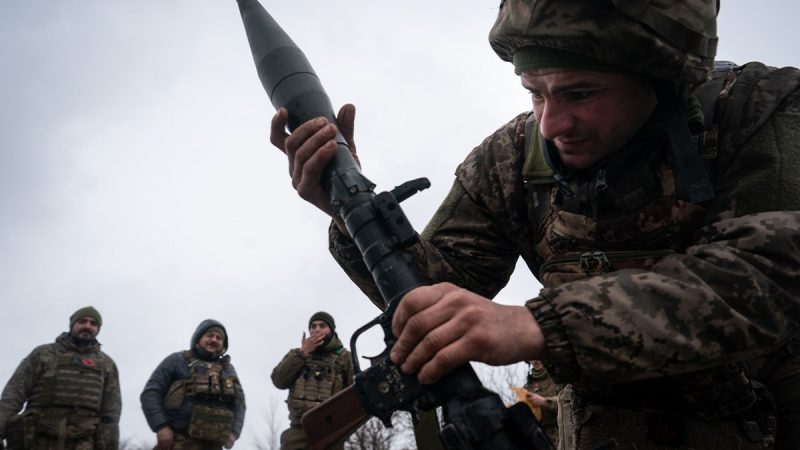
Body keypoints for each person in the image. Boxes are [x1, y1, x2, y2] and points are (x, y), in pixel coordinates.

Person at [269, 0, 800, 448]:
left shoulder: (762, 114)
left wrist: (538, 325)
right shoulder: (514, 159)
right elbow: (438, 298)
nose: (551, 123)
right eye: (535, 91)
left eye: (580, 93)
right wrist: (350, 209)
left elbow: (770, 274)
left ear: (662, 79)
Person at [0, 306, 121, 450]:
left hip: (84, 443)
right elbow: (13, 395)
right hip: (38, 441)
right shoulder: (44, 354)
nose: (88, 326)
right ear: (72, 324)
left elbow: (111, 412)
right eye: (82, 321)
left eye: (93, 323)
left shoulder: (106, 364)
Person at [141, 319, 246, 450]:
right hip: (177, 441)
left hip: (214, 444)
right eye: (210, 335)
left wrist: (234, 433)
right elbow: (151, 393)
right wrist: (161, 426)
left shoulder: (228, 369)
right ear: (198, 339)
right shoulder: (177, 360)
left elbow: (240, 403)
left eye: (219, 338)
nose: (214, 340)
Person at [271, 312, 354, 450]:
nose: (317, 329)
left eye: (322, 326)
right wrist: (302, 353)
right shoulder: (297, 354)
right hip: (299, 429)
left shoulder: (345, 357)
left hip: (331, 430)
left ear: (332, 330)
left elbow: (354, 393)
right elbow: (278, 380)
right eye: (313, 326)